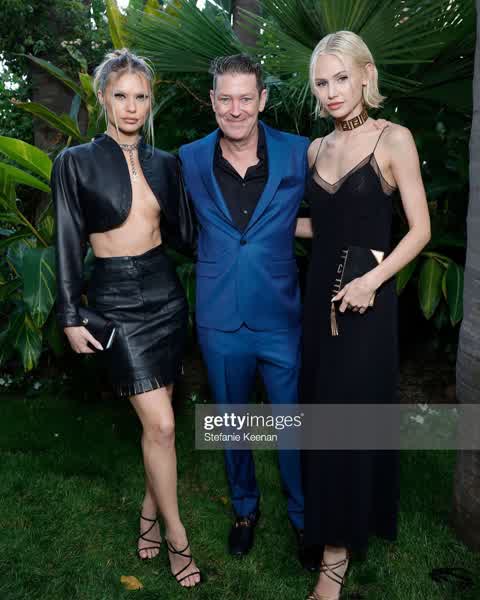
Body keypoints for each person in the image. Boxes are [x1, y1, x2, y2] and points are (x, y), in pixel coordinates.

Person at [52, 49, 202, 588]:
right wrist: (70, 313)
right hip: (115, 298)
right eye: (121, 95)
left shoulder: (166, 162)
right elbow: (67, 241)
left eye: (141, 96)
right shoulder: (75, 161)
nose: (131, 106)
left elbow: (186, 233)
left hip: (165, 294)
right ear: (103, 98)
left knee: (158, 428)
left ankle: (148, 513)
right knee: (161, 426)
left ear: (150, 101)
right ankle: (178, 538)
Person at [296, 31, 431, 600]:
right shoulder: (315, 150)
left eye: (341, 78)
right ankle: (330, 524)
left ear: (366, 75)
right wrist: (252, 226)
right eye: (321, 83)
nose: (332, 92)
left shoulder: (392, 139)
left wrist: (373, 281)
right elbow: (323, 226)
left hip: (365, 307)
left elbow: (420, 231)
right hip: (317, 304)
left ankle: (334, 560)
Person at [179, 54, 314, 565]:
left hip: (280, 312)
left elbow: (332, 210)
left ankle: (304, 517)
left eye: (245, 98)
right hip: (219, 315)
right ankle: (244, 509)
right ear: (212, 101)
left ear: (262, 99)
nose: (235, 109)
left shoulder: (298, 151)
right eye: (225, 98)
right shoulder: (189, 157)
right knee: (232, 423)